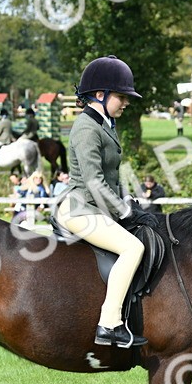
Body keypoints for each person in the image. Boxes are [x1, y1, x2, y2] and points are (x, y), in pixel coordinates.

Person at [55, 55, 149, 348]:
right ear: (100, 95)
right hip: (81, 207)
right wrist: (123, 211)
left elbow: (109, 177)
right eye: (121, 97)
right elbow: (94, 183)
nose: (126, 103)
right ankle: (109, 324)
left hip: (96, 205)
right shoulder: (86, 127)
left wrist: (127, 200)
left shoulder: (105, 124)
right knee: (133, 248)